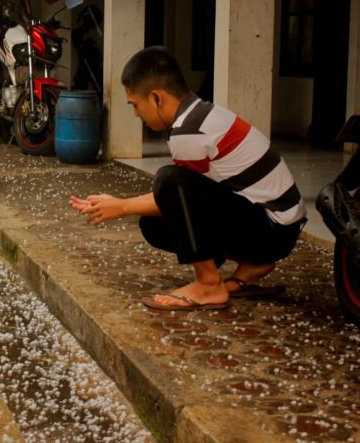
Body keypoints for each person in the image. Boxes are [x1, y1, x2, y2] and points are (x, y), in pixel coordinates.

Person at [70, 46, 306, 310]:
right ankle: (253, 264)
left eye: (135, 105)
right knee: (154, 224)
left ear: (156, 98)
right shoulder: (200, 113)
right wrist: (120, 204)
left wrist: (120, 206)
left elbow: (177, 194)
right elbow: (185, 202)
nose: (136, 114)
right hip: (279, 227)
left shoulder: (189, 130)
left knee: (168, 180)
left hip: (273, 229)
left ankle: (208, 285)